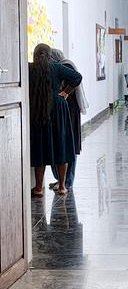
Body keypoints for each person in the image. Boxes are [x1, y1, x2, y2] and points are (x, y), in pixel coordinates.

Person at [29, 43, 82, 197]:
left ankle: (38, 188)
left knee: (40, 147)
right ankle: (62, 187)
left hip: (38, 108)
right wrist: (66, 92)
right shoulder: (57, 67)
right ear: (49, 55)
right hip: (58, 108)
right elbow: (77, 77)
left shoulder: (30, 68)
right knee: (61, 145)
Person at [48, 48, 87, 190]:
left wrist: (65, 92)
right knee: (63, 144)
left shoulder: (66, 66)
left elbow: (76, 79)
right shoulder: (63, 65)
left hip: (69, 111)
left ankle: (67, 181)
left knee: (69, 144)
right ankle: (61, 180)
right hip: (65, 110)